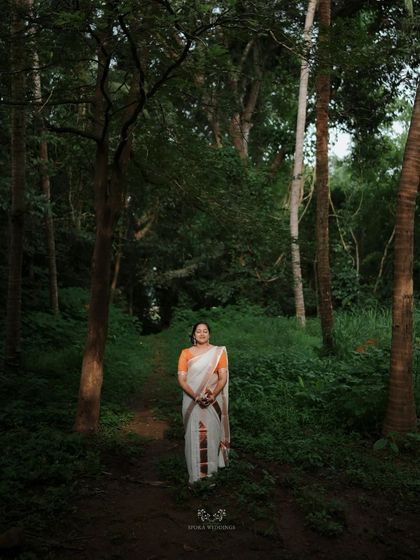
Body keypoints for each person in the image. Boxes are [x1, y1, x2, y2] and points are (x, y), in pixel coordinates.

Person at [177, 322, 230, 485]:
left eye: (205, 331)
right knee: (193, 435)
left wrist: (212, 395)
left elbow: (222, 378)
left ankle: (210, 477)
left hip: (212, 402)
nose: (201, 334)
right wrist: (196, 397)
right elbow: (182, 379)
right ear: (193, 335)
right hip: (192, 401)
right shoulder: (185, 353)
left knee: (211, 436)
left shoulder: (218, 353)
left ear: (209, 334)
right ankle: (195, 478)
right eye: (198, 331)